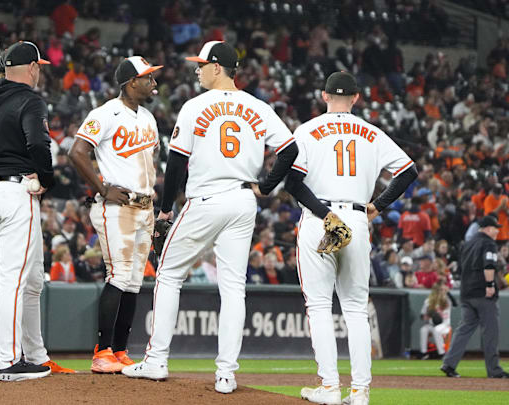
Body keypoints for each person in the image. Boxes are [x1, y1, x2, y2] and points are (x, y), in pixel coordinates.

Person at [122, 41, 305, 394]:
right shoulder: (257, 106)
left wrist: (165, 209)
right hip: (242, 199)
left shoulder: (195, 106)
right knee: (234, 287)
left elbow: (176, 163)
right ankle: (226, 374)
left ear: (217, 67)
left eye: (202, 65)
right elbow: (290, 150)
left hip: (206, 198)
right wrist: (265, 187)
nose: (197, 70)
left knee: (170, 273)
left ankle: (157, 360)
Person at [291, 72, 417, 405]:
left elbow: (293, 182)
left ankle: (330, 387)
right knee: (356, 310)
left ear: (324, 96)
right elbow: (408, 171)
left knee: (319, 306)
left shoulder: (306, 130)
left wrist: (323, 214)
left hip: (321, 217)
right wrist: (378, 205)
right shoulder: (373, 133)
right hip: (358, 218)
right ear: (357, 98)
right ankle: (360, 392)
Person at [0, 41, 73, 381]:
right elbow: (38, 143)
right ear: (32, 68)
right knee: (14, 279)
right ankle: (10, 360)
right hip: (15, 191)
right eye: (39, 67)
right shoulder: (30, 100)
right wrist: (46, 178)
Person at [69, 55, 161, 373]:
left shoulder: (149, 117)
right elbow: (77, 152)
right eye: (148, 78)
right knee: (119, 275)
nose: (154, 82)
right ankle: (102, 350)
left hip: (144, 205)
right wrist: (102, 186)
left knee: (135, 281)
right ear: (131, 82)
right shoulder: (106, 113)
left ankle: (120, 350)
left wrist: (156, 203)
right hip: (117, 205)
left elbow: (150, 164)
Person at [441, 215, 509, 378]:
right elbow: (489, 265)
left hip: (466, 292)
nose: (496, 232)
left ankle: (449, 364)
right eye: (495, 228)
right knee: (490, 331)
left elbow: (461, 267)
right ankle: (494, 370)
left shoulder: (468, 243)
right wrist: (489, 285)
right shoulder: (488, 243)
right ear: (487, 228)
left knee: (464, 329)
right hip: (483, 292)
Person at [419, 280, 452, 359]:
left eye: (441, 290)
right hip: (431, 324)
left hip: (445, 325)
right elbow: (422, 315)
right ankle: (424, 353)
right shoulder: (428, 301)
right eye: (438, 290)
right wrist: (426, 316)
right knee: (423, 330)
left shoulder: (446, 300)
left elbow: (454, 304)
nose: (440, 292)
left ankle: (442, 353)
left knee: (436, 330)